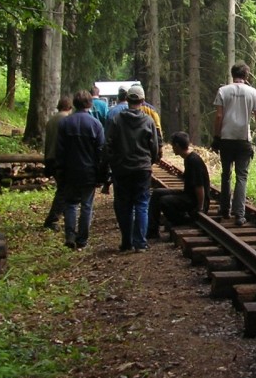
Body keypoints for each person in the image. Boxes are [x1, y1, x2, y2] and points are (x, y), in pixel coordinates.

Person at [106, 84, 161, 252]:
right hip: (142, 169)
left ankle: (126, 242)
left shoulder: (116, 120)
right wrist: (149, 161)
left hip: (121, 169)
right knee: (142, 204)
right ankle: (140, 243)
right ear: (143, 101)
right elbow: (155, 147)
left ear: (127, 100)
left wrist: (112, 163)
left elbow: (107, 145)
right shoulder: (148, 120)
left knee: (125, 205)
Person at [211, 63, 256, 226]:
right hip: (243, 140)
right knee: (242, 177)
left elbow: (219, 116)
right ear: (246, 76)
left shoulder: (223, 91)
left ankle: (224, 210)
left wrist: (216, 137)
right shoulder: (253, 92)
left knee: (226, 174)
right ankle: (239, 215)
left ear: (232, 74)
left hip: (226, 139)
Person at [55, 90, 106, 250]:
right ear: (89, 104)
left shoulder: (65, 123)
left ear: (74, 104)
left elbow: (60, 150)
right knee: (86, 206)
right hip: (89, 171)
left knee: (70, 204)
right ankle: (82, 239)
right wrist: (101, 175)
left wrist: (59, 170)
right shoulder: (95, 124)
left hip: (69, 171)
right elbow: (101, 151)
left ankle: (70, 235)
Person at [147, 131, 210, 238]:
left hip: (194, 200)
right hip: (188, 194)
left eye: (173, 146)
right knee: (157, 193)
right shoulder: (188, 158)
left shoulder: (193, 160)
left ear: (177, 145)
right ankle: (152, 230)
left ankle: (184, 220)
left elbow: (199, 186)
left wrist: (200, 208)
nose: (172, 148)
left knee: (164, 201)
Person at [42, 95, 73, 231]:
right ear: (69, 107)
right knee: (64, 190)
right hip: (60, 159)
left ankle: (68, 217)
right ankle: (52, 219)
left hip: (50, 158)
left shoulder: (51, 120)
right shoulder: (66, 120)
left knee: (63, 188)